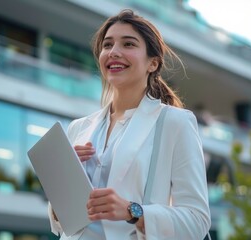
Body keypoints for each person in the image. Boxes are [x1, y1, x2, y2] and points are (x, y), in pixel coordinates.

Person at [48, 9, 211, 240]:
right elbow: (64, 221)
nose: (113, 52)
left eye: (128, 44)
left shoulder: (176, 123)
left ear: (152, 63)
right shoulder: (78, 128)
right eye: (107, 45)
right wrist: (63, 183)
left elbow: (197, 221)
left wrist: (132, 211)